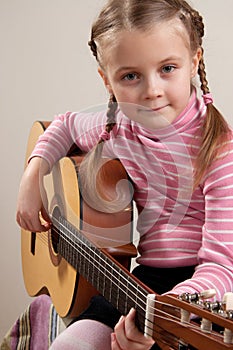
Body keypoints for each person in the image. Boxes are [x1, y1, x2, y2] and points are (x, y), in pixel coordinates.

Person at [16, 0, 233, 349]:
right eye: (130, 76)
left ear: (194, 62)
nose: (151, 91)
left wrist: (166, 310)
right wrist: (33, 175)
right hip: (143, 280)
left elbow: (223, 267)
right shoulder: (120, 129)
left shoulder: (220, 152)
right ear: (107, 80)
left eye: (167, 68)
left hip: (201, 293)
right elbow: (66, 124)